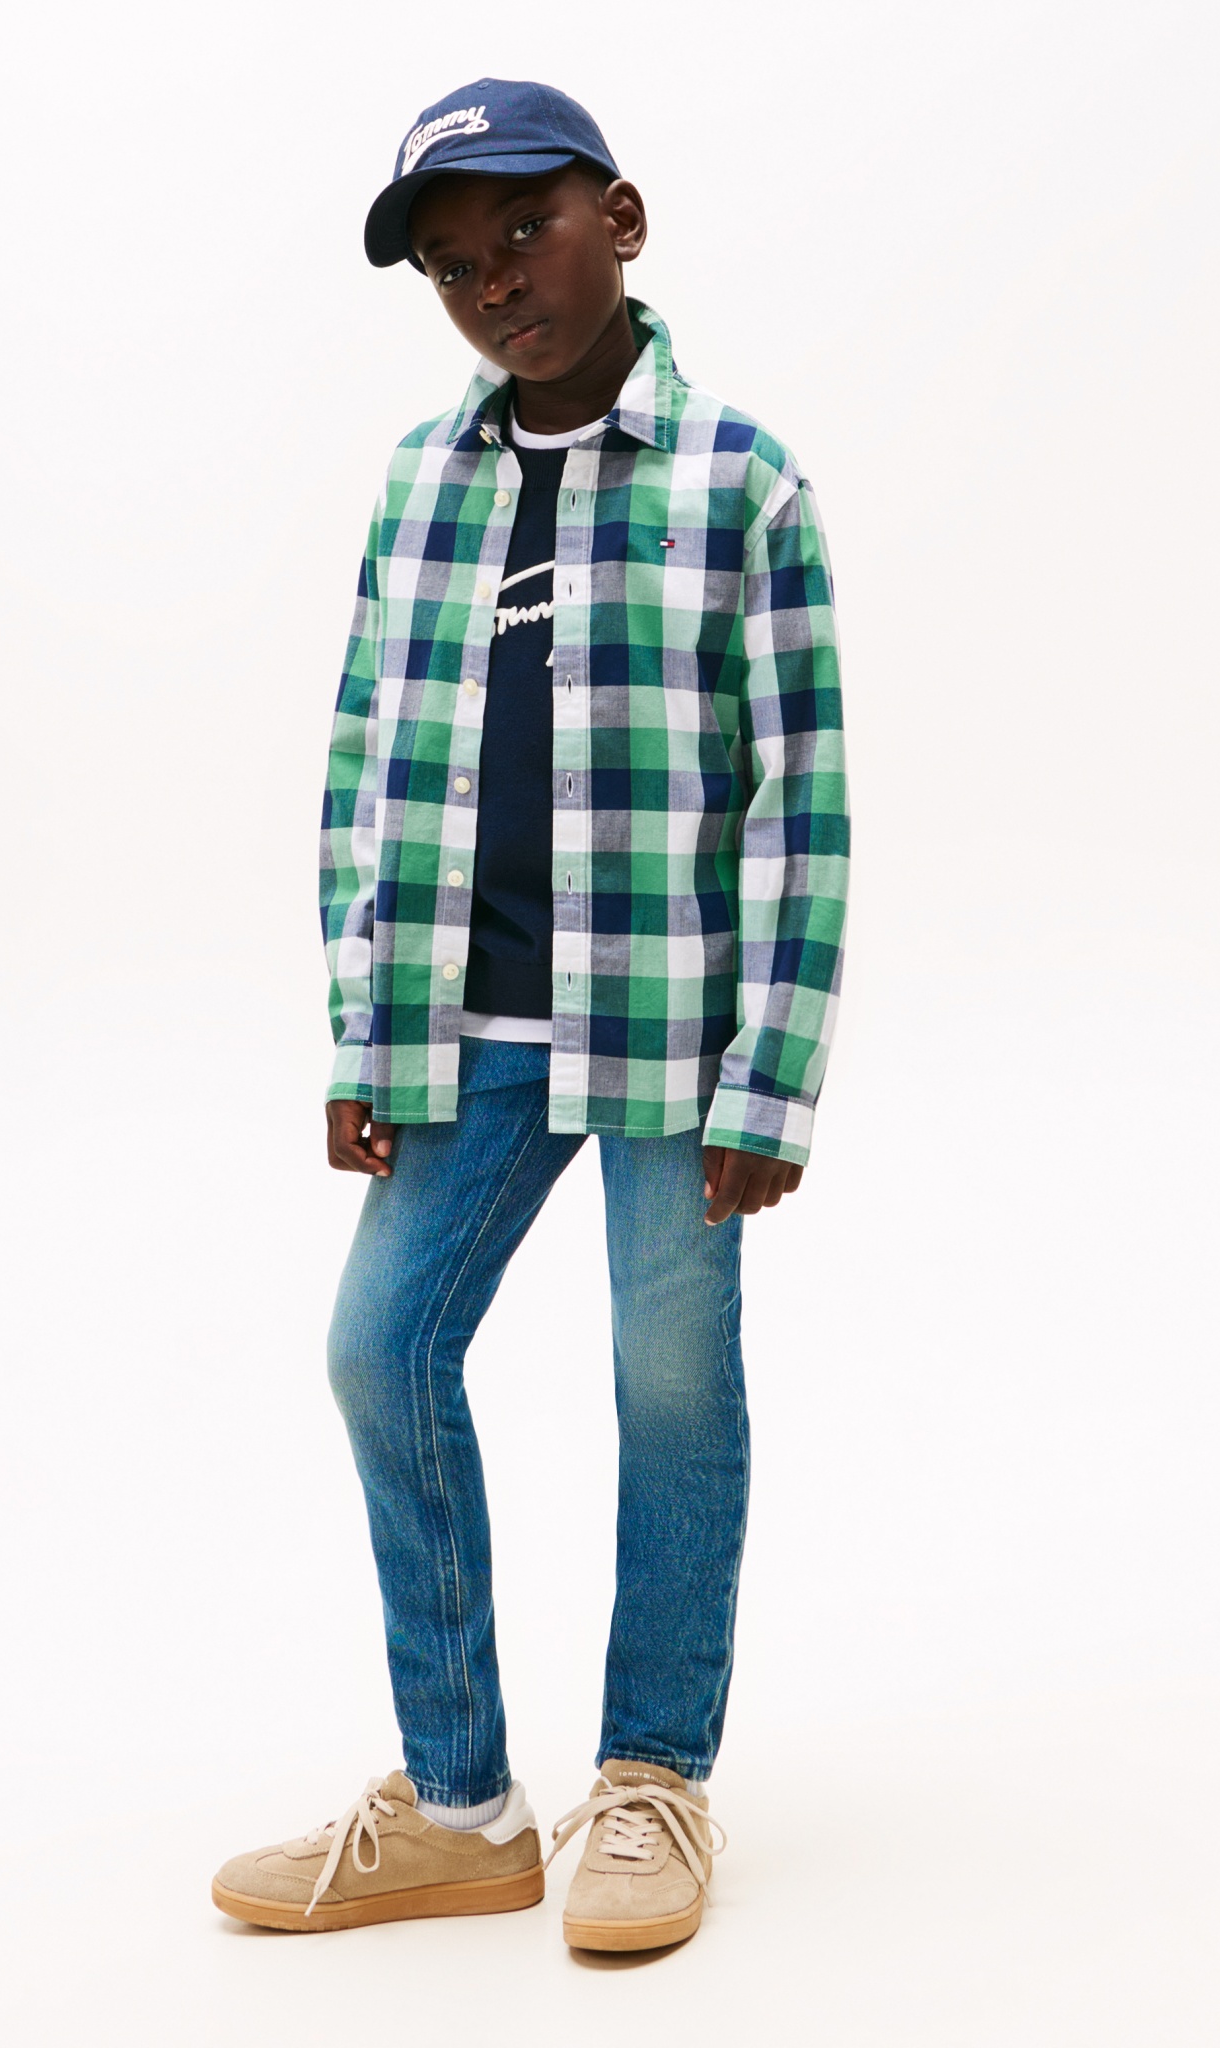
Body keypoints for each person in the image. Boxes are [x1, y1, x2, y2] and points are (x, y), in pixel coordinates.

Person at [212, 77, 848, 1954]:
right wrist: (362, 1034)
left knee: (673, 1384)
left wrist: (772, 1079)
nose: (495, 282)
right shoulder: (422, 482)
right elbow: (364, 766)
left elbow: (802, 803)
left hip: (668, 1034)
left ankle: (650, 1778)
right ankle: (463, 1805)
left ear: (619, 221)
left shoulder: (743, 481)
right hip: (461, 1028)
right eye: (452, 264)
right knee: (379, 1349)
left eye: (525, 232)